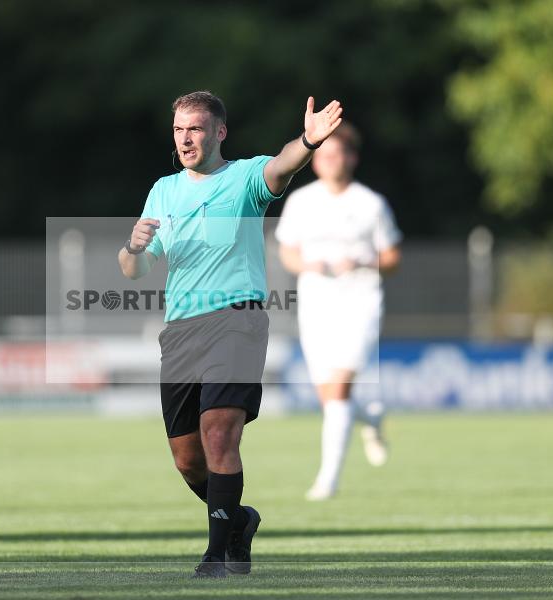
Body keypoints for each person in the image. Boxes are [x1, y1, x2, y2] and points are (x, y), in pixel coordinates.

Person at [118, 91, 342, 577]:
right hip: (180, 331)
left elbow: (282, 166)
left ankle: (218, 554)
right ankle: (238, 521)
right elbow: (135, 270)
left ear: (219, 132)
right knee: (188, 461)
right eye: (178, 130)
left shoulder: (243, 179)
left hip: (236, 322)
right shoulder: (163, 190)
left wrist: (307, 140)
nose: (185, 138)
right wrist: (133, 248)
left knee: (219, 433)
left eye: (195, 128)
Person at [275, 122, 402, 501]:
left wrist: (364, 261)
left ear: (352, 158)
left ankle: (327, 480)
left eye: (340, 153)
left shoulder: (370, 203)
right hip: (316, 305)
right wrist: (307, 266)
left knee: (339, 388)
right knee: (331, 397)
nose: (333, 160)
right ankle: (372, 418)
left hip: (360, 303)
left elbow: (393, 256)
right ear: (315, 161)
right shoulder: (302, 202)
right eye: (325, 154)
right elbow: (288, 251)